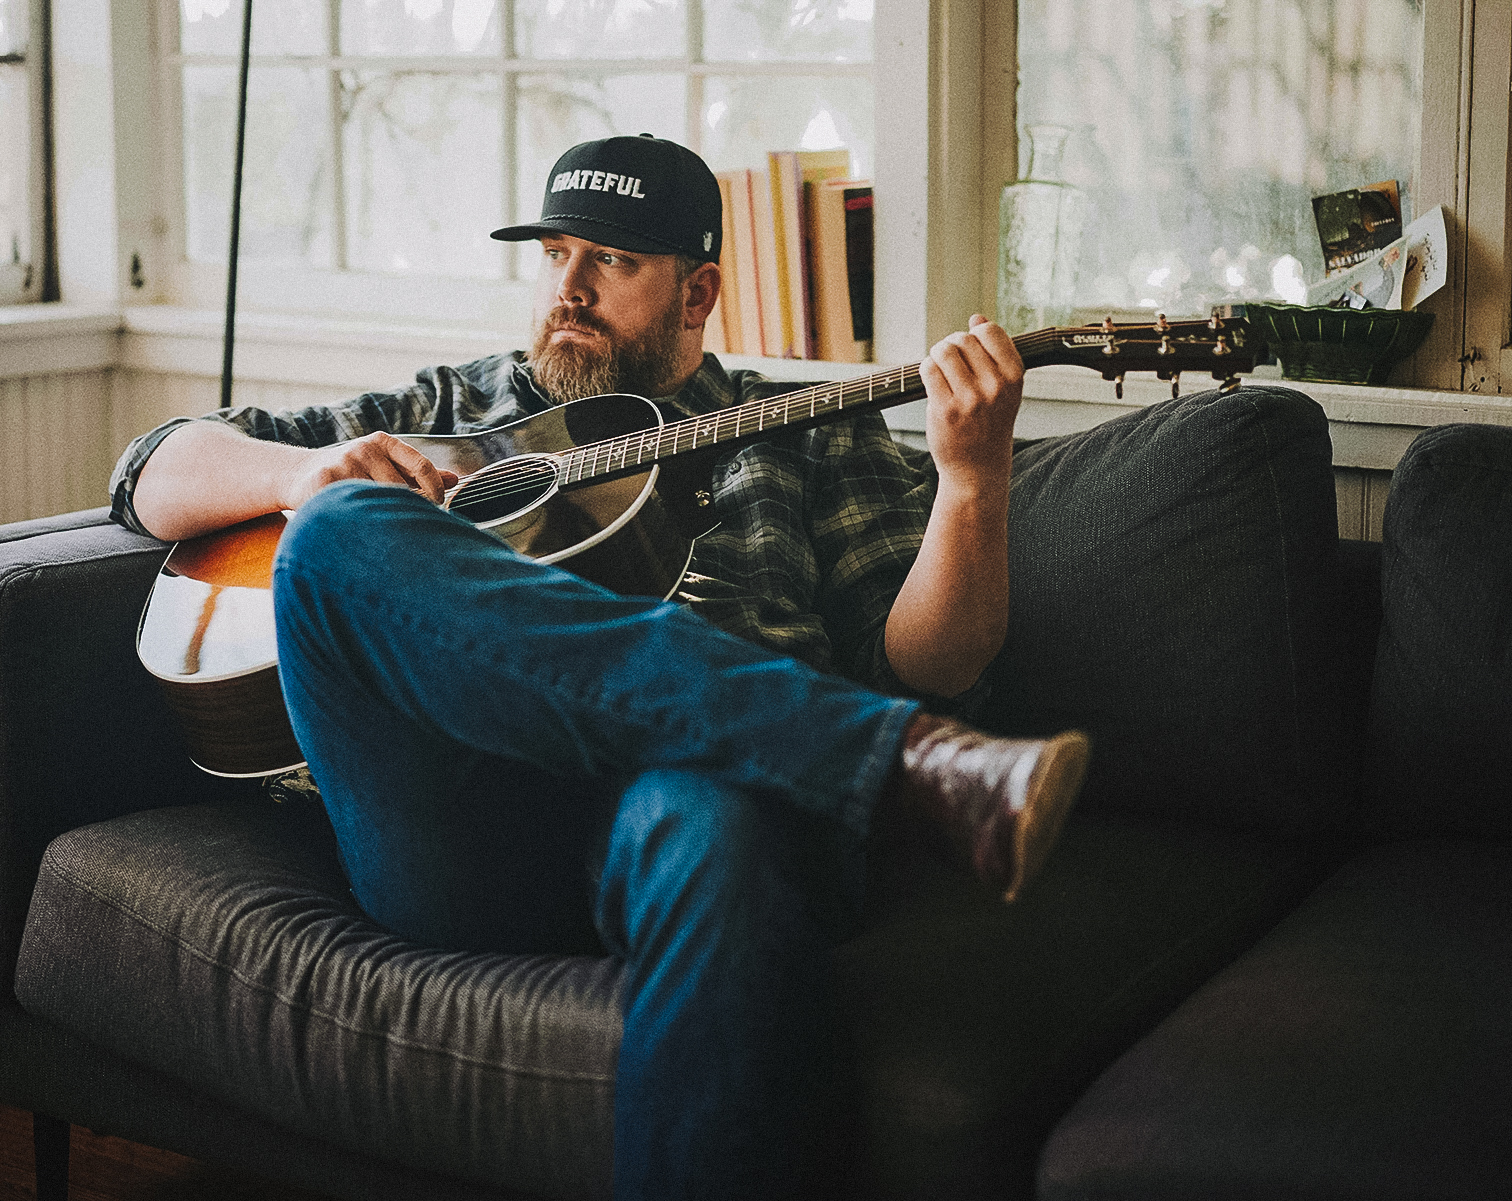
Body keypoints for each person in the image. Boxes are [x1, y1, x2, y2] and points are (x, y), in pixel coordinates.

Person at [110, 134, 1090, 1200]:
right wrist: (306, 472)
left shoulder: (807, 434)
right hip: (459, 824)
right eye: (555, 254)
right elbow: (148, 470)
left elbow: (933, 666)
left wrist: (974, 482)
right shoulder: (456, 411)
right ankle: (894, 762)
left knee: (717, 818)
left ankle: (868, 749)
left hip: (691, 814)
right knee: (339, 527)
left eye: (612, 261)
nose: (567, 290)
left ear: (697, 289)